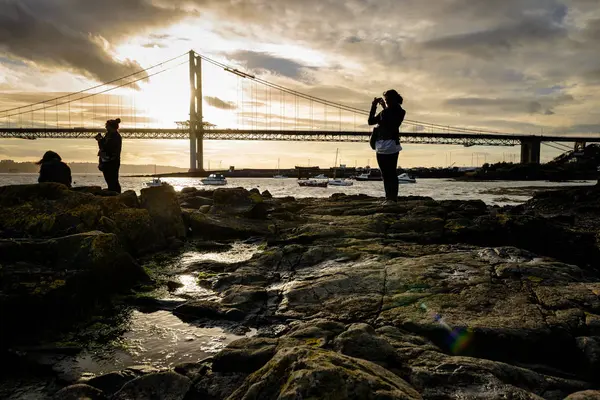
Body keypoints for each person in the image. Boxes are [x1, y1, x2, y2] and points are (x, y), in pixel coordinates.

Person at [368, 89, 406, 204]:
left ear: (391, 99)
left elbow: (371, 121)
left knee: (386, 174)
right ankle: (392, 199)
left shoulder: (386, 113)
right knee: (391, 174)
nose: (386, 101)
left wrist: (374, 106)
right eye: (386, 100)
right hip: (391, 145)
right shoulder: (401, 112)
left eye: (387, 99)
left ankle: (389, 198)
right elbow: (390, 120)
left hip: (383, 145)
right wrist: (383, 107)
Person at [96, 118, 122, 193]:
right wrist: (100, 140)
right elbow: (103, 147)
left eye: (107, 126)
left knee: (113, 180)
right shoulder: (109, 135)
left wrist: (100, 140)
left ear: (111, 127)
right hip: (106, 160)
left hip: (111, 161)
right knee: (109, 179)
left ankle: (115, 194)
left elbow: (106, 147)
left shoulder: (115, 137)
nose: (106, 127)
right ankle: (113, 192)